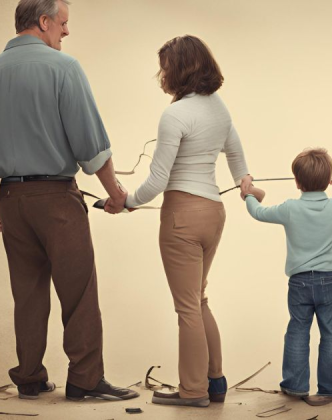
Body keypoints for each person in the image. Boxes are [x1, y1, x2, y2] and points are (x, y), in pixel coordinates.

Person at [0, 0, 138, 402]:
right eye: (63, 23)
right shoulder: (64, 67)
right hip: (56, 199)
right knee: (78, 290)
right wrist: (116, 194)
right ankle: (85, 380)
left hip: (11, 198)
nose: (66, 31)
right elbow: (90, 143)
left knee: (27, 292)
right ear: (43, 22)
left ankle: (29, 377)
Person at [113, 35, 258, 407]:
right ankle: (215, 382)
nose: (161, 75)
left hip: (182, 215)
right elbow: (236, 156)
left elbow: (158, 180)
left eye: (165, 68)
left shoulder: (175, 114)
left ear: (178, 70)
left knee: (187, 307)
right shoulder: (219, 108)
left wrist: (127, 202)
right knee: (198, 298)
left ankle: (193, 391)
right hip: (214, 213)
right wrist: (245, 183)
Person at [244, 148, 332, 406]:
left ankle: (295, 386)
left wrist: (249, 194)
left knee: (297, 331)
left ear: (297, 182)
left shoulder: (289, 208)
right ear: (330, 180)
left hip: (299, 283)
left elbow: (258, 212)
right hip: (329, 281)